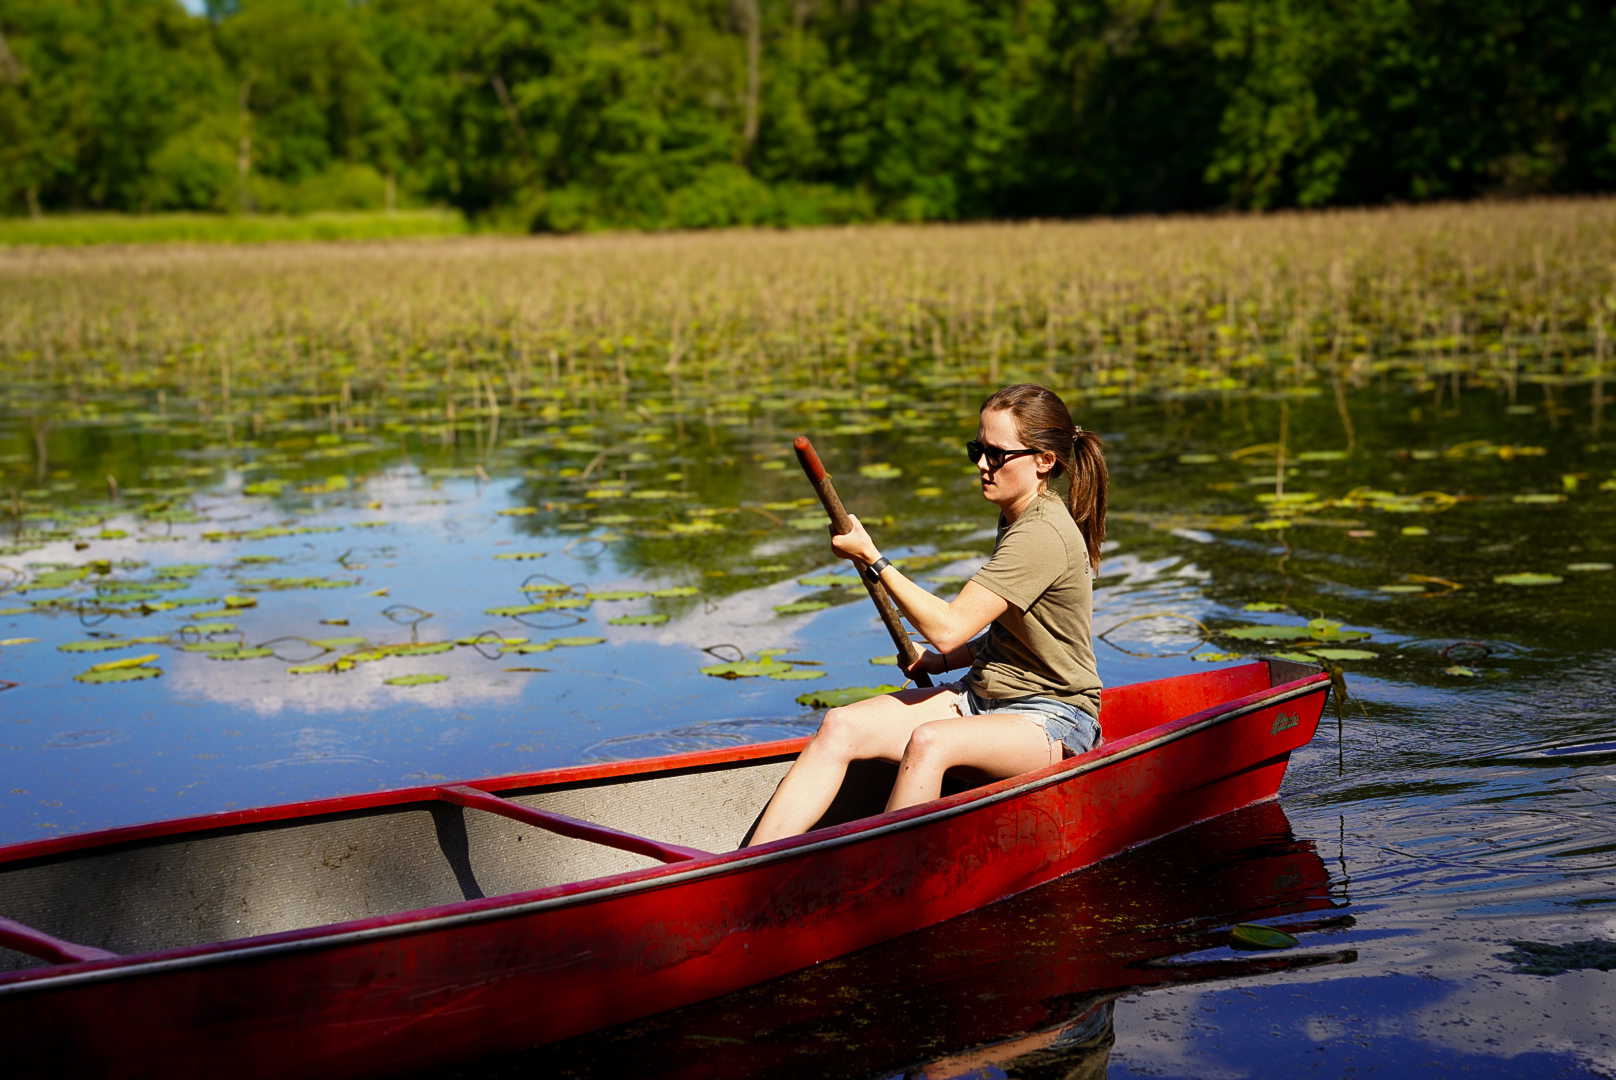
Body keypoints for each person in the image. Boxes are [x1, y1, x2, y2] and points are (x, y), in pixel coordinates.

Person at [747, 383, 1107, 846]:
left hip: (1052, 717)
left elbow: (948, 628)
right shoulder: (1014, 513)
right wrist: (941, 665)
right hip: (984, 698)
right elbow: (1019, 632)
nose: (981, 464)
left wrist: (873, 558)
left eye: (996, 454)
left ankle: (890, 880)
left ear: (1044, 460)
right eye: (977, 449)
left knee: (930, 740)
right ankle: (749, 869)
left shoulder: (1042, 533)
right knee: (842, 725)